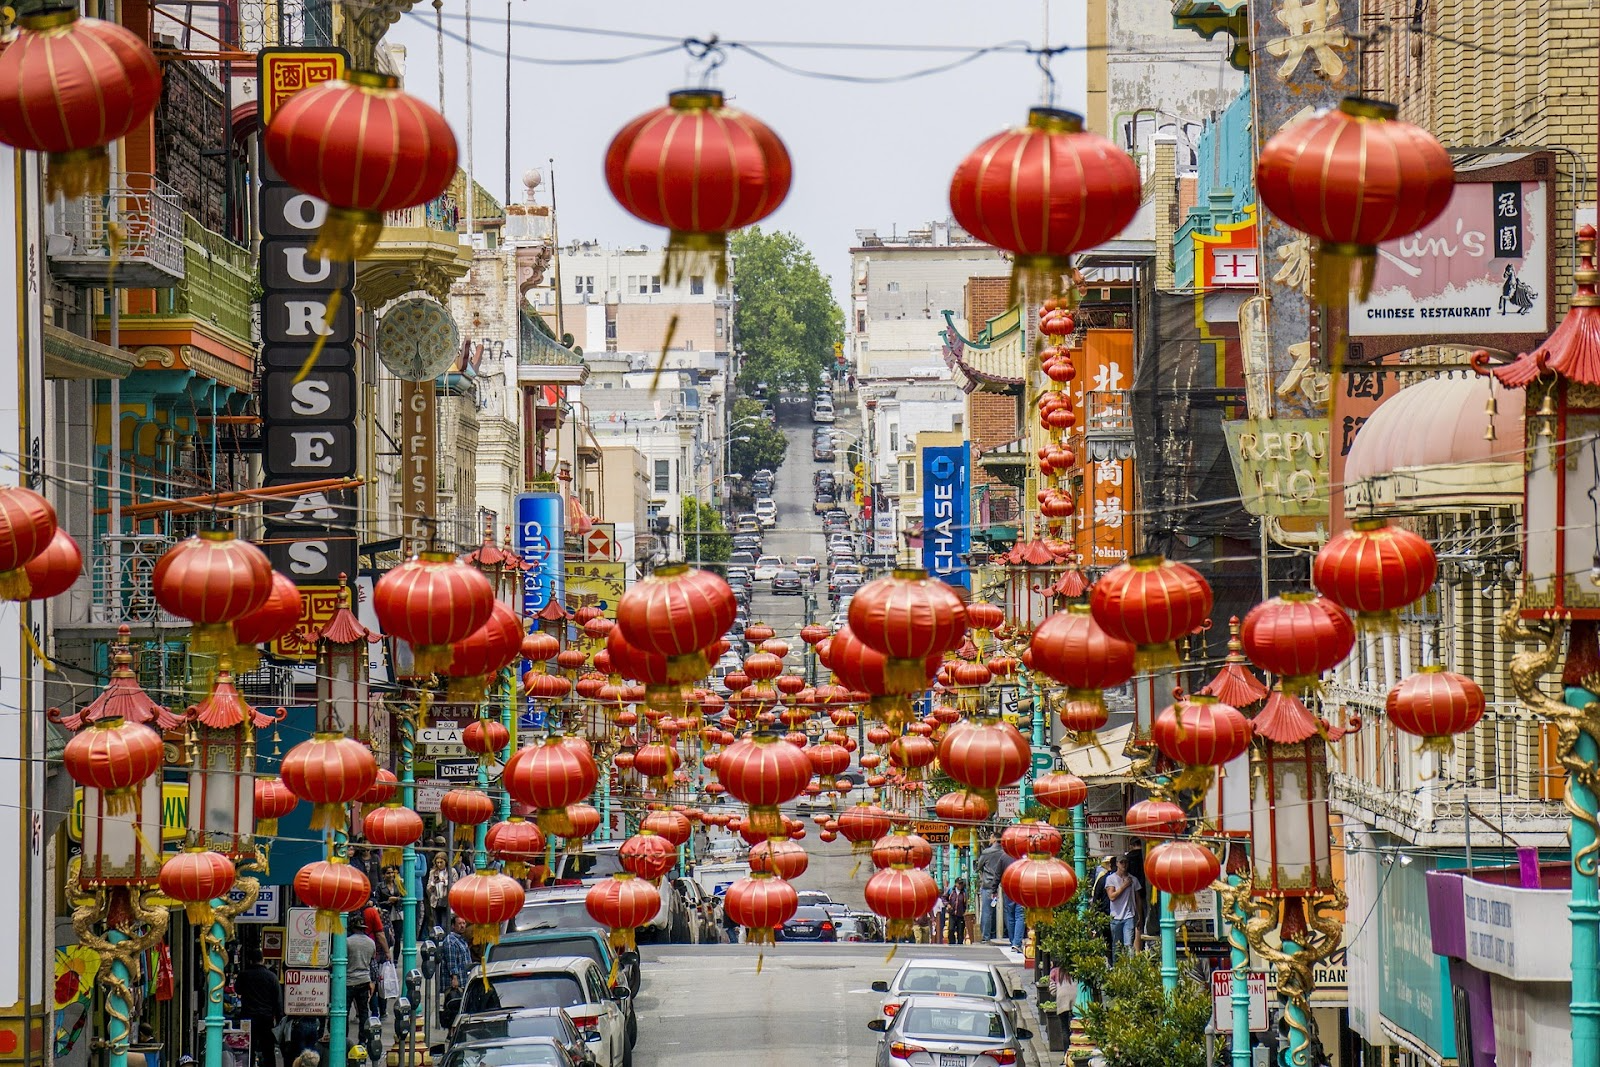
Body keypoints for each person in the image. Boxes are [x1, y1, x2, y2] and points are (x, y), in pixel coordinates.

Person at [234, 947, 281, 1067]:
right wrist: (280, 1020)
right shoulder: (271, 977)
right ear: (263, 960)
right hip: (266, 1018)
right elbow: (277, 1000)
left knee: (248, 1048)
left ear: (250, 960)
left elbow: (237, 989)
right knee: (268, 1050)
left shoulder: (244, 975)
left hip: (248, 1017)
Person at [344, 915, 376, 1041]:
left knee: (344, 1012)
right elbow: (372, 964)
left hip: (348, 980)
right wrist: (372, 981)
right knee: (363, 1012)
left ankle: (344, 1039)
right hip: (364, 980)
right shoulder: (370, 942)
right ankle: (362, 1040)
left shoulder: (347, 942)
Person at [439, 916, 474, 1030]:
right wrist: (454, 978)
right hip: (455, 983)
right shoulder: (451, 941)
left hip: (464, 980)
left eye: (464, 923)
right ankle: (452, 1031)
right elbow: (451, 961)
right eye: (459, 923)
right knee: (453, 1008)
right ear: (453, 926)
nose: (462, 926)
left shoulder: (461, 940)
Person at [976, 835, 1010, 942]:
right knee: (1006, 911)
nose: (989, 839)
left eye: (990, 837)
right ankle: (1007, 934)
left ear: (995, 839)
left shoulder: (987, 852)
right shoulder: (1006, 853)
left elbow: (978, 867)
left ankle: (986, 936)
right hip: (1003, 886)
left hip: (989, 886)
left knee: (987, 911)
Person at [1105, 856, 1140, 954]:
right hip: (1115, 917)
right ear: (1117, 864)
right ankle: (1117, 967)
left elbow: (1138, 899)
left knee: (1128, 945)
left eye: (1126, 862)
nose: (1124, 865)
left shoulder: (1133, 879)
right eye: (1121, 862)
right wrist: (1124, 886)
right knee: (1117, 946)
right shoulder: (1110, 879)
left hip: (1129, 916)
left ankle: (1130, 967)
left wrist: (1139, 916)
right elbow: (1112, 896)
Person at [425, 853, 454, 935]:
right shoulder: (433, 872)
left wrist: (445, 882)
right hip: (436, 901)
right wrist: (433, 883)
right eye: (437, 862)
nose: (439, 864)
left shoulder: (451, 871)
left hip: (446, 901)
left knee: (445, 924)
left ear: (446, 862)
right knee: (436, 925)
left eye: (441, 862)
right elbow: (428, 888)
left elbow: (455, 885)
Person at [942, 878, 968, 946]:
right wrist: (947, 905)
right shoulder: (951, 891)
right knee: (951, 929)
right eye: (959, 884)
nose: (960, 885)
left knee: (960, 931)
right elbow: (944, 898)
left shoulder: (964, 892)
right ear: (956, 884)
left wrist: (965, 911)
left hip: (960, 914)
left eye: (961, 884)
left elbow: (966, 903)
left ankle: (960, 944)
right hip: (952, 914)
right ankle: (951, 943)